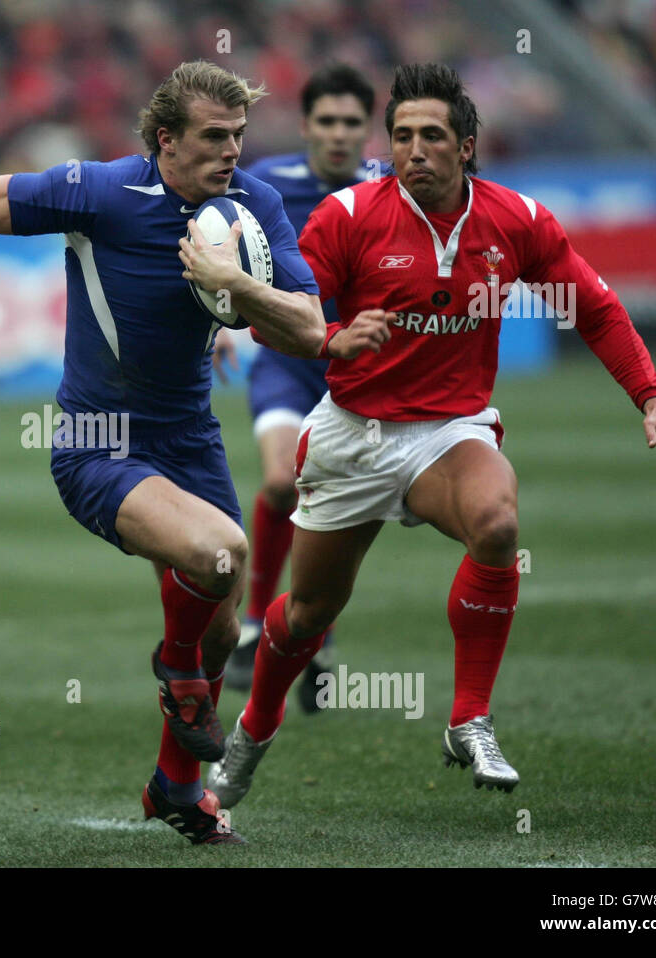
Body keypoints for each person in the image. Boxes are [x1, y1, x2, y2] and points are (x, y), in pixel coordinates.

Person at [208, 62, 656, 809]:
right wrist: (329, 335)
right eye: (400, 136)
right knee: (309, 612)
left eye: (431, 135)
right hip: (353, 435)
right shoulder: (346, 215)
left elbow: (594, 307)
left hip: (450, 430)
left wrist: (652, 398)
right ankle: (255, 725)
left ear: (467, 146)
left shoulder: (519, 221)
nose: (413, 150)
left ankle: (469, 717)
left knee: (497, 524)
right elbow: (290, 312)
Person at [0, 61, 325, 845]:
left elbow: (308, 326)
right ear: (165, 141)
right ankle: (176, 670)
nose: (233, 153)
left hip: (192, 439)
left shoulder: (252, 205)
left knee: (223, 630)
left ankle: (175, 789)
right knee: (222, 554)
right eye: (214, 138)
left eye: (239, 137)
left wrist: (235, 287)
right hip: (99, 443)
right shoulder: (101, 191)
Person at [222, 63, 377, 709]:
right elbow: (209, 237)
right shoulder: (264, 186)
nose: (339, 134)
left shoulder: (390, 187)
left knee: (333, 501)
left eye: (352, 123)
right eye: (327, 121)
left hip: (360, 369)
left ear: (368, 129)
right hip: (287, 359)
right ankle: (256, 622)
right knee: (285, 482)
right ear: (306, 124)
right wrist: (218, 319)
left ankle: (316, 632)